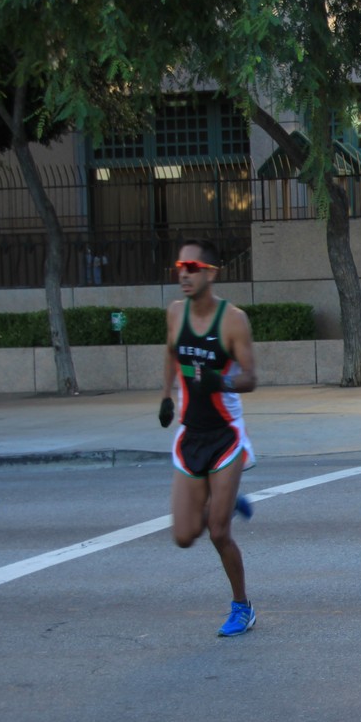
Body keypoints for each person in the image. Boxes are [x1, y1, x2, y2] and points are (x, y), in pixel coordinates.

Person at [160, 239, 259, 637]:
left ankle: (242, 607)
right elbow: (171, 352)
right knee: (184, 536)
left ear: (211, 273)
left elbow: (251, 377)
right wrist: (166, 396)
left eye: (192, 267)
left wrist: (220, 381)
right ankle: (227, 501)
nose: (184, 274)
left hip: (225, 435)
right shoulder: (175, 312)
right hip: (190, 433)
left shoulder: (232, 320)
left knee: (218, 532)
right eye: (180, 267)